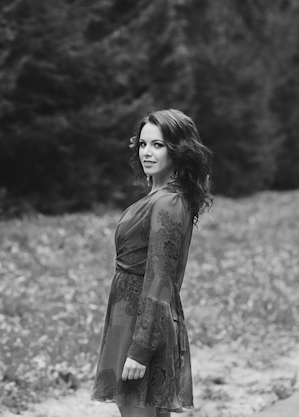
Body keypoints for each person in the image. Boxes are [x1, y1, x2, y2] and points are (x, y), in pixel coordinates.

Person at [91, 109, 213, 417]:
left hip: (140, 325)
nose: (147, 152)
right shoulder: (166, 196)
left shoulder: (168, 202)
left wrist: (141, 348)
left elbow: (161, 279)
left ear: (177, 149)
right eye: (143, 144)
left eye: (157, 145)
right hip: (136, 319)